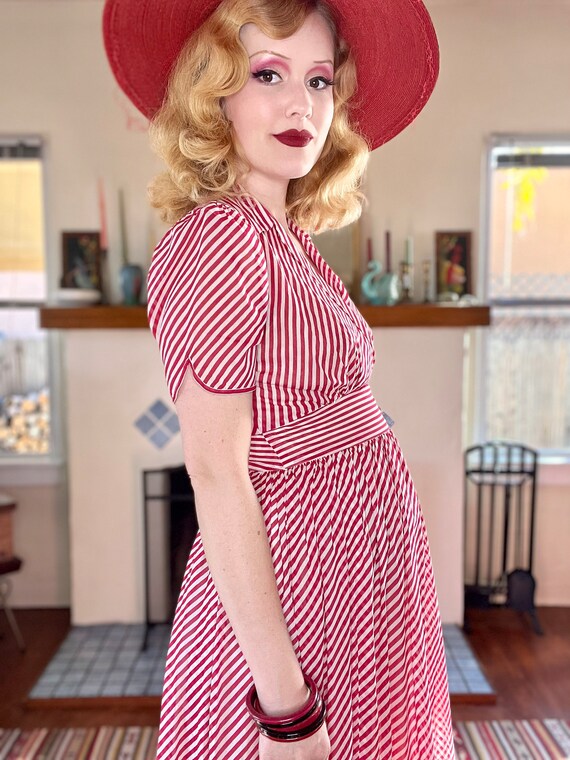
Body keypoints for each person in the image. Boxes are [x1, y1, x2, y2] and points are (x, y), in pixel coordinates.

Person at [103, 0, 455, 757]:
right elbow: (215, 472)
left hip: (353, 574)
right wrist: (287, 709)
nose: (301, 104)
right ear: (215, 93)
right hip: (300, 590)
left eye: (320, 81)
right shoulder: (227, 236)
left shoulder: (283, 235)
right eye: (268, 74)